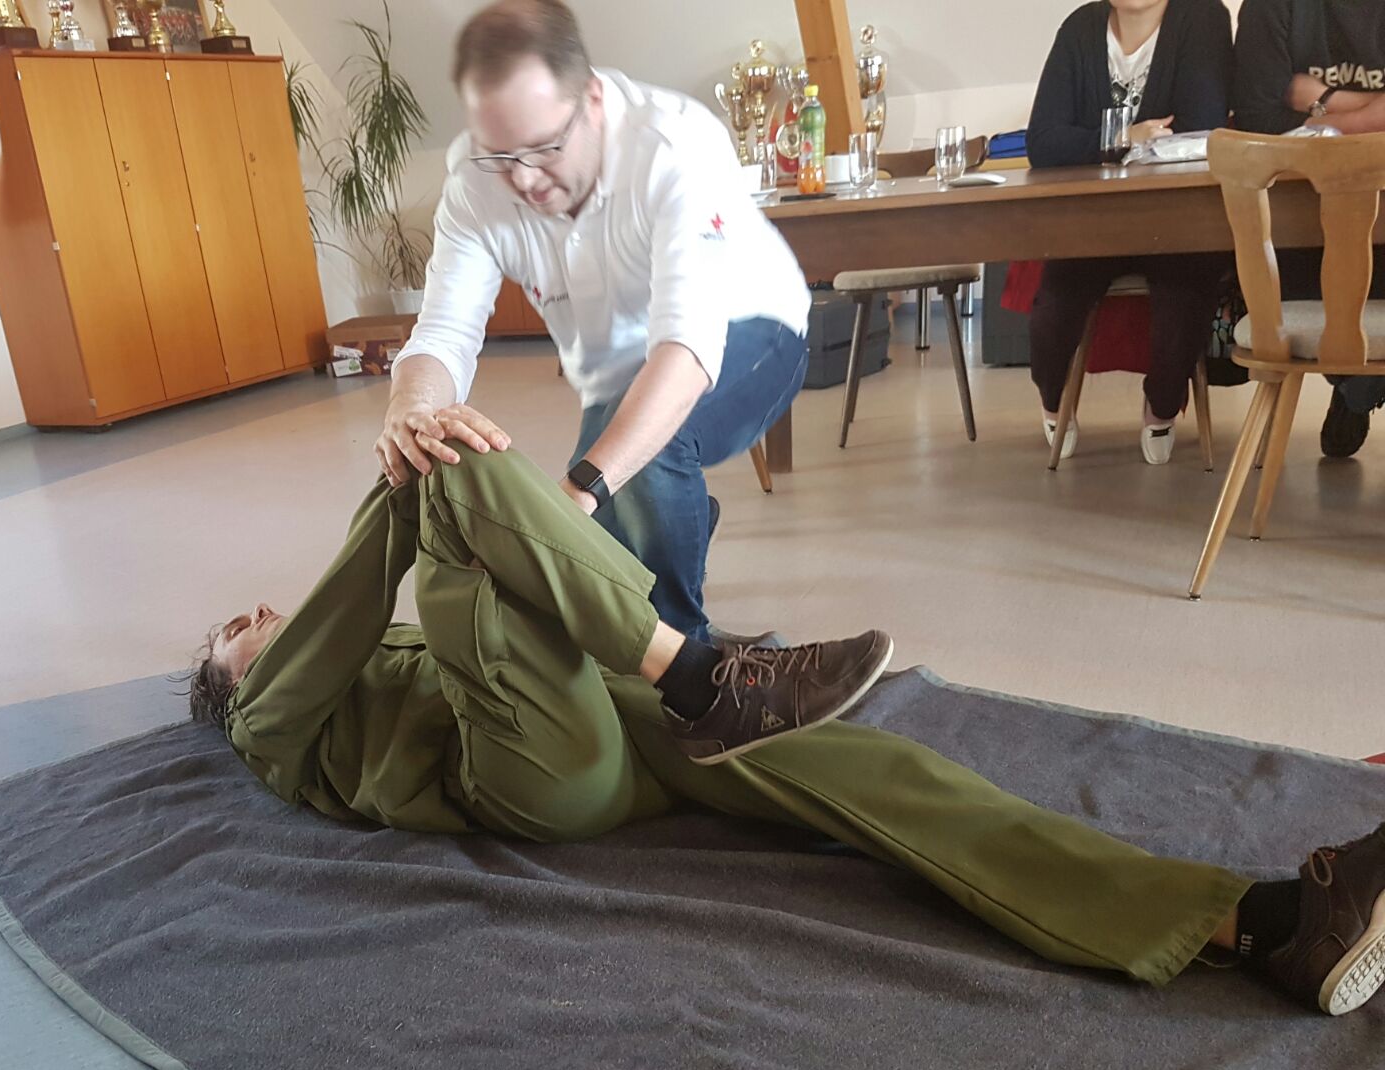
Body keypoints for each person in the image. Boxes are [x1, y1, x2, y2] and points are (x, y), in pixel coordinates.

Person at [187, 443, 1385, 1017]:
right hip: (524, 775)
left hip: (621, 723)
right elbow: (350, 598)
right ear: (228, 685)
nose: (252, 615)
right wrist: (408, 466)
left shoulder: (383, 646)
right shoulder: (267, 728)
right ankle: (704, 671)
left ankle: (1260, 920)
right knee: (444, 478)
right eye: (230, 631)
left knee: (892, 777)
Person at [374, 0, 810, 642]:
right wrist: (410, 406)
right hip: (617, 376)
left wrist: (577, 493)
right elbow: (444, 332)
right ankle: (677, 521)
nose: (524, 179)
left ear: (594, 100)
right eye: (500, 154)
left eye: (544, 147)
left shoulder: (675, 144)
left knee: (637, 468)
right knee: (592, 556)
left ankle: (689, 668)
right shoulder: (474, 183)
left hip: (753, 327)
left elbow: (687, 348)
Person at [1026, 0, 1234, 464]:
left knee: (1184, 298)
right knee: (1053, 309)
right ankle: (1053, 400)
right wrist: (1126, 137)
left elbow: (1200, 128)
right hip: (1095, 218)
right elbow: (1043, 141)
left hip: (1178, 218)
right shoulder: (1080, 28)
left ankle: (1162, 407)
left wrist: (1093, 142)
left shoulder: (1203, 17)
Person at [1235, 0, 1385, 458]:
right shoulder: (1271, 8)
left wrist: (1322, 102)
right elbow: (1258, 122)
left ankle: (1359, 389)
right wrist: (1371, 113)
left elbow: (1283, 116)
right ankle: (1354, 384)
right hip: (1300, 218)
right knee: (1332, 295)